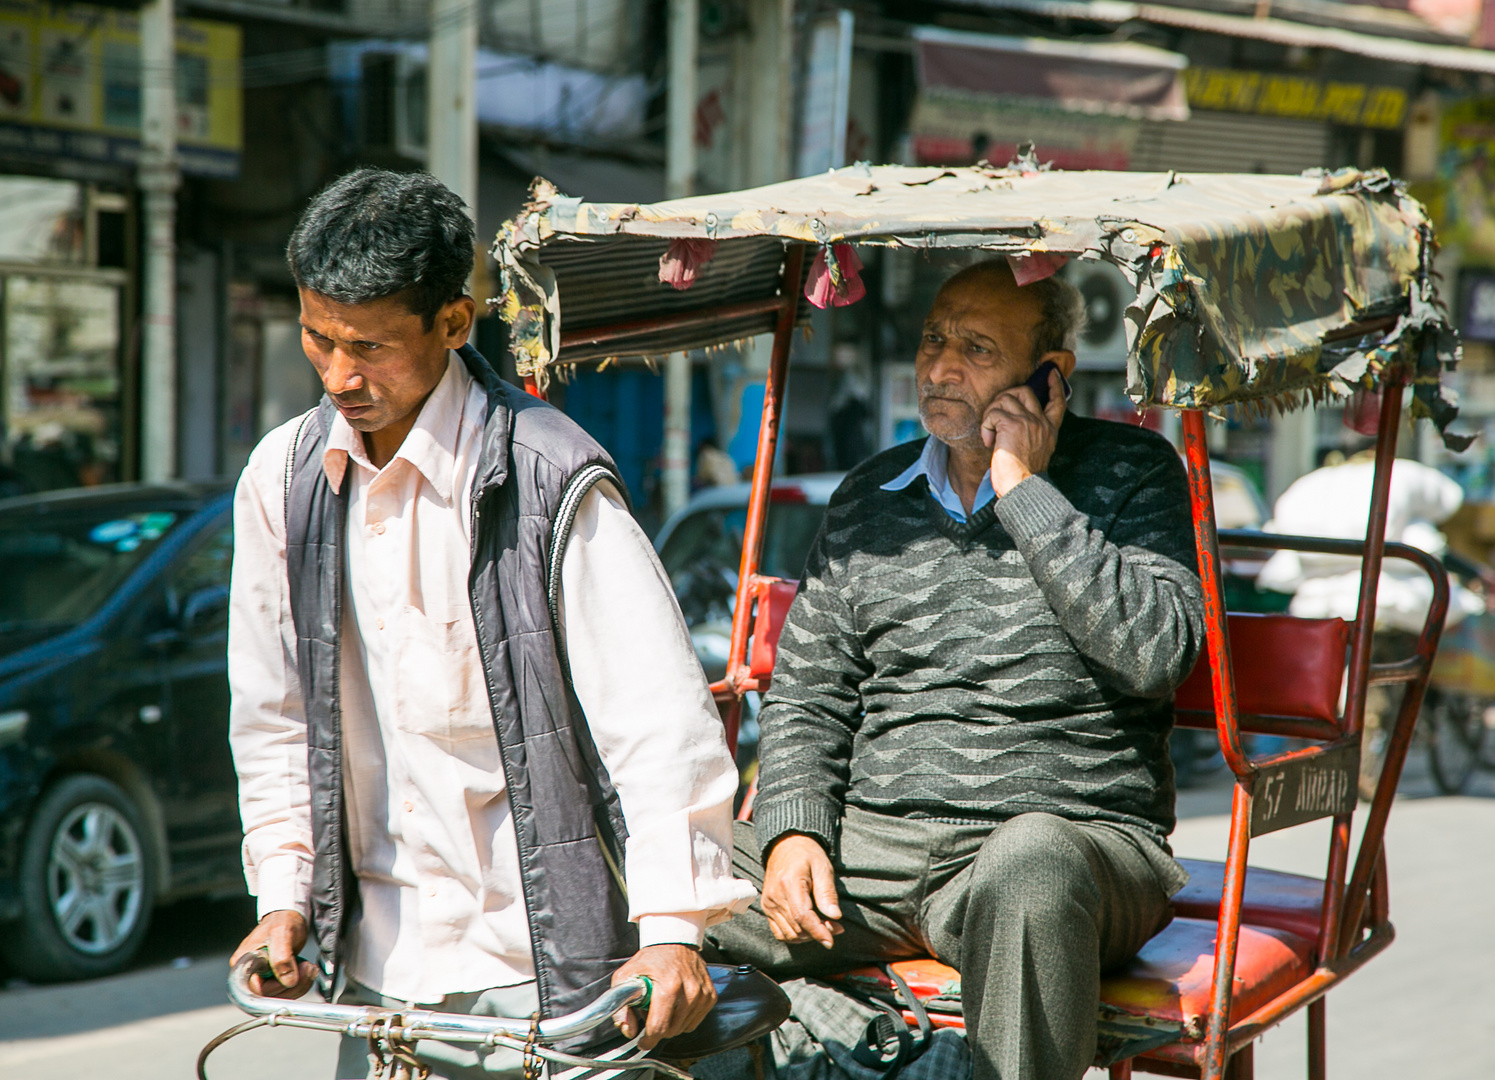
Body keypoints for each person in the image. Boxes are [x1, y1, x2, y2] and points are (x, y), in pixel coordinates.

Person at [227, 169, 754, 1080]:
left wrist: (672, 932)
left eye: (370, 347)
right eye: (318, 340)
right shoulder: (283, 480)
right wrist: (282, 897)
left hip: (547, 976)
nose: (340, 375)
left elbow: (657, 725)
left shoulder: (552, 481)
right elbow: (273, 721)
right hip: (377, 977)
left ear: (452, 325)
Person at [705, 260, 1207, 1080]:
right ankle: (840, 1046)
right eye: (934, 338)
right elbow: (808, 691)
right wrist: (795, 826)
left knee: (1029, 864)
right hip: (876, 852)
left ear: (1051, 376)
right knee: (640, 855)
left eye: (975, 348)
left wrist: (1024, 489)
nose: (939, 366)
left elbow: (1153, 653)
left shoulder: (1133, 472)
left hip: (1068, 848)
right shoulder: (870, 496)